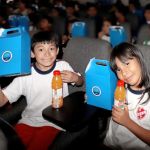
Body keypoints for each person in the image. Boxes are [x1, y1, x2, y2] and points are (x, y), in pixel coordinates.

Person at [0, 31, 84, 150]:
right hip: (28, 120)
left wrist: (75, 78)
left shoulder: (63, 66)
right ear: (32, 54)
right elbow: (3, 99)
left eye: (51, 48)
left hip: (54, 122)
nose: (47, 54)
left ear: (57, 51)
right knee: (11, 145)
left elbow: (80, 82)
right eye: (40, 49)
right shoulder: (24, 75)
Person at [104, 42, 150, 150]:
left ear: (139, 59)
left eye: (126, 63)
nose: (124, 72)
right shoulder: (120, 89)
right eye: (118, 69)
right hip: (110, 143)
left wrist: (127, 122)